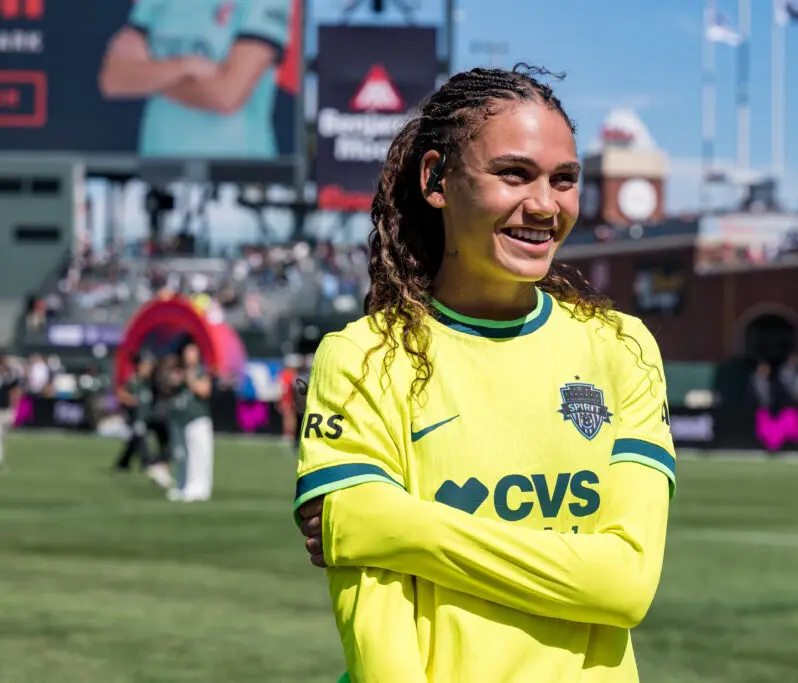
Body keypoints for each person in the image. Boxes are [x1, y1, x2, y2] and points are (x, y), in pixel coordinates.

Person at [293, 64, 675, 683]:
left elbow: (625, 585)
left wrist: (386, 523)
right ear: (436, 179)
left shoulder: (623, 349)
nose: (545, 205)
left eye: (564, 180)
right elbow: (379, 641)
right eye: (514, 174)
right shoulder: (365, 357)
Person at [97, 0, 294, 158]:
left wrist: (149, 76)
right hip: (157, 173)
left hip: (238, 179)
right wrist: (186, 66)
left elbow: (227, 95)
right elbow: (113, 80)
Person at [113, 354, 174, 488]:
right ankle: (148, 464)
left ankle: (125, 463)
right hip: (136, 418)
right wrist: (131, 400)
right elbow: (121, 394)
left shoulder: (152, 383)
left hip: (150, 417)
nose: (147, 369)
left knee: (164, 436)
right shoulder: (133, 381)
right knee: (139, 436)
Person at [167, 343, 214, 502]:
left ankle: (201, 488)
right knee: (186, 455)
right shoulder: (180, 371)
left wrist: (191, 381)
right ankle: (185, 484)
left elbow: (205, 391)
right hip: (183, 420)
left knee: (201, 455)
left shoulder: (201, 371)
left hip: (199, 419)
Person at [0, 352, 22, 470]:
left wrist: (14, 408)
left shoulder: (10, 375)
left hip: (6, 408)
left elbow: (15, 391)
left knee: (3, 436)